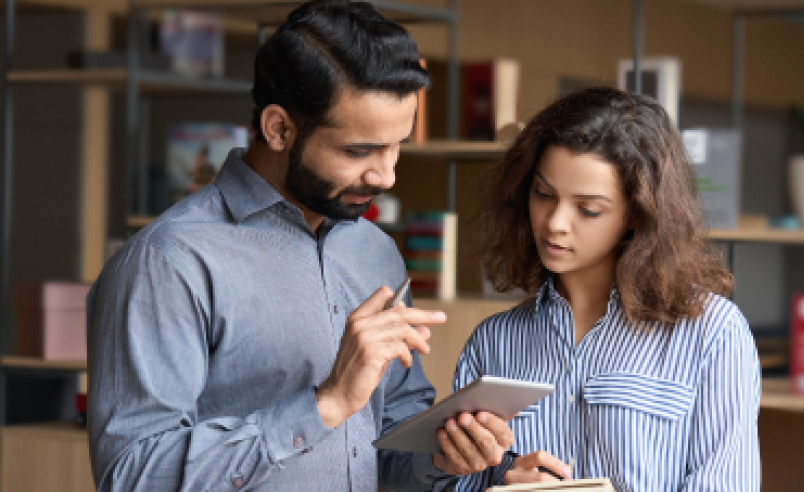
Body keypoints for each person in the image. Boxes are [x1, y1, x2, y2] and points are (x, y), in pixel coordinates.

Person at [86, 1, 514, 490]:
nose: (386, 176)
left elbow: (386, 450)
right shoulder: (167, 262)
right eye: (359, 151)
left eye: (396, 146)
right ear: (279, 128)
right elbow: (131, 477)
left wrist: (444, 456)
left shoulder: (374, 251)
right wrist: (325, 405)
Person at [452, 87, 761, 491]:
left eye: (588, 209)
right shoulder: (492, 344)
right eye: (543, 195)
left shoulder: (713, 334)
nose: (555, 223)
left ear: (637, 213)